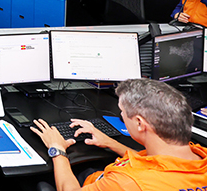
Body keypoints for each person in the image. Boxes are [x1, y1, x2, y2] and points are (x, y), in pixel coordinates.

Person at [31, 78, 207, 191]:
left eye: (122, 112)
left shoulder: (127, 183)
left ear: (139, 123)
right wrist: (110, 143)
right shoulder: (198, 155)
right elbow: (159, 166)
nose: (121, 115)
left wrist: (57, 150)